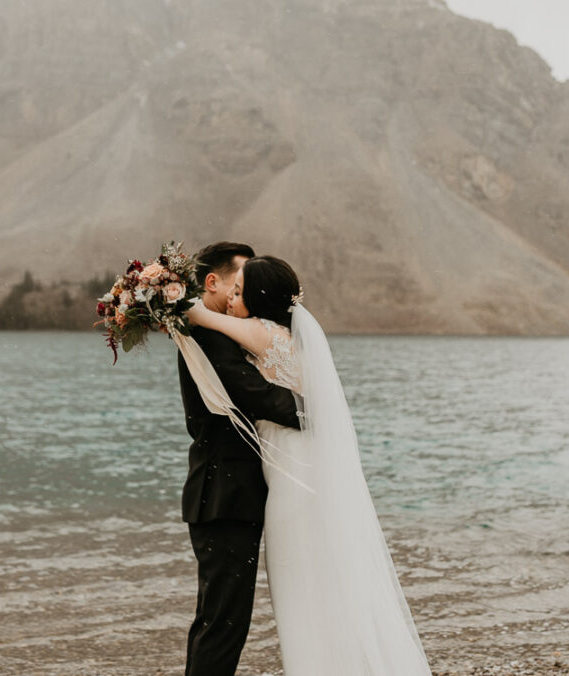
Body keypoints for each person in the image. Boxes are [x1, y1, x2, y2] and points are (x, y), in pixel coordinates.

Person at [187, 255, 433, 675]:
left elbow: (197, 315)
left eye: (240, 291)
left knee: (299, 588)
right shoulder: (290, 336)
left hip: (293, 481)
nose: (231, 298)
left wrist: (159, 293)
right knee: (324, 578)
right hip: (307, 468)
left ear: (260, 299)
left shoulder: (259, 332)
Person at [176, 242, 302, 676]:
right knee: (223, 622)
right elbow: (253, 393)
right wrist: (312, 412)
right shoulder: (209, 335)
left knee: (219, 618)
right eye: (236, 285)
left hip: (231, 493)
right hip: (223, 494)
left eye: (244, 290)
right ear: (213, 281)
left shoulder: (221, 331)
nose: (235, 298)